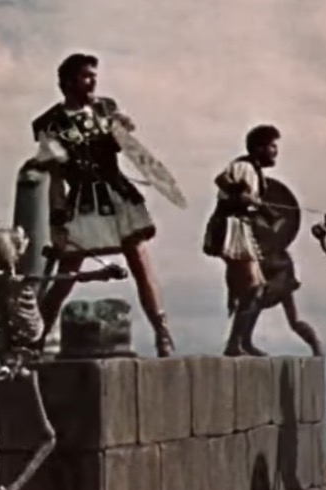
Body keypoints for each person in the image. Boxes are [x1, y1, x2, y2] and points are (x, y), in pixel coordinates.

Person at [31, 53, 175, 357]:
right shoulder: (51, 124)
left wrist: (120, 128)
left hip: (117, 193)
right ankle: (36, 338)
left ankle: (162, 332)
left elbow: (128, 145)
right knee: (67, 272)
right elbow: (55, 179)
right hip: (83, 201)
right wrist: (57, 220)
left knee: (139, 258)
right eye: (86, 76)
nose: (92, 81)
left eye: (94, 76)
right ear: (68, 81)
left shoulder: (106, 109)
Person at [203, 125, 282, 356]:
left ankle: (243, 341)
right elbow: (225, 186)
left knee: (257, 288)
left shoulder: (252, 170)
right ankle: (236, 343)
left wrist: (264, 210)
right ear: (259, 148)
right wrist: (250, 200)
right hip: (233, 228)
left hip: (240, 227)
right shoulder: (244, 167)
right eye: (272, 146)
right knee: (253, 286)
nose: (275, 151)